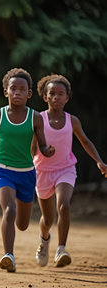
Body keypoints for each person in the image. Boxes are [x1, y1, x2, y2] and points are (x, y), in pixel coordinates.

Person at [0, 68, 55, 272]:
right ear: (5, 91)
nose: (17, 93)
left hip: (26, 172)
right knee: (9, 209)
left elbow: (42, 145)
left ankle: (38, 238)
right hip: (2, 170)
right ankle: (9, 255)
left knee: (22, 224)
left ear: (29, 94)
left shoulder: (35, 118)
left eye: (22, 89)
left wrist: (47, 151)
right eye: (12, 89)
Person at [33, 74, 107, 268]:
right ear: (45, 97)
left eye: (60, 94)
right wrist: (32, 162)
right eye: (52, 93)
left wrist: (99, 161)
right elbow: (32, 148)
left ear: (67, 97)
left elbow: (84, 141)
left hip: (66, 169)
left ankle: (61, 249)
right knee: (47, 219)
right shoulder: (38, 119)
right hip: (42, 171)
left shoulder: (72, 120)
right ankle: (44, 239)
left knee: (63, 205)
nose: (56, 97)